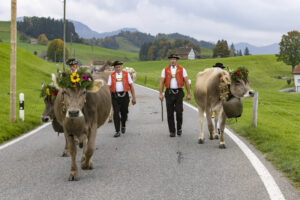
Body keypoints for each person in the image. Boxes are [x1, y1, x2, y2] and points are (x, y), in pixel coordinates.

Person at [159, 54, 191, 137]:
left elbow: (187, 82)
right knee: (170, 113)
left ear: (177, 60)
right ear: (169, 60)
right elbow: (162, 82)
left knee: (179, 112)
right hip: (169, 93)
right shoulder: (165, 70)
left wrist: (188, 94)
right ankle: (172, 131)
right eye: (171, 59)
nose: (173, 60)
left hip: (179, 93)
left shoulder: (182, 69)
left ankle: (179, 127)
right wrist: (160, 94)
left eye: (174, 59)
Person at [108, 61, 136, 137]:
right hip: (115, 97)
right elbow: (109, 87)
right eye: (116, 67)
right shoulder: (111, 76)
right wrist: (108, 98)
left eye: (119, 67)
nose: (118, 68)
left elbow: (131, 86)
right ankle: (117, 131)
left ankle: (123, 125)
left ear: (121, 67)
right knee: (116, 113)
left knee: (124, 113)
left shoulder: (126, 75)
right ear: (114, 68)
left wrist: (134, 98)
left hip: (125, 96)